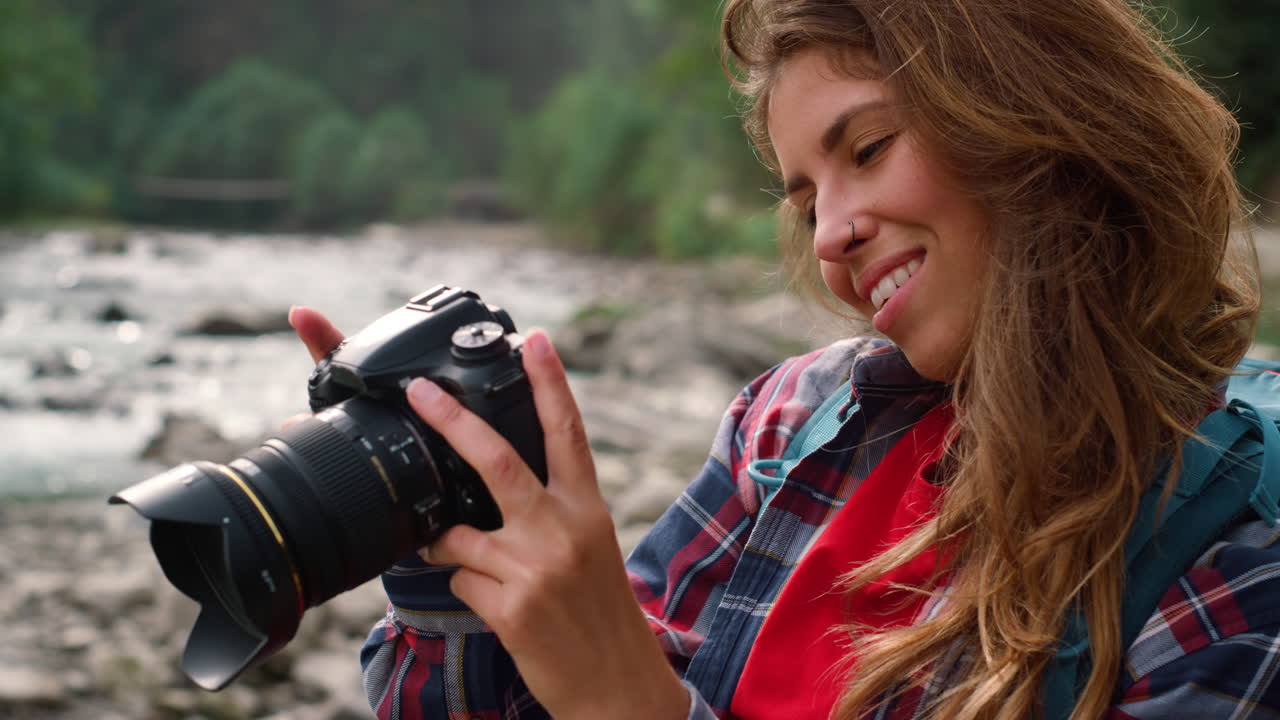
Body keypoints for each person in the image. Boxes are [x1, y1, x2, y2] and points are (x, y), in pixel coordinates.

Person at [291, 0, 1280, 717]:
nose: (828, 237)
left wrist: (629, 707)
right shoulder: (793, 423)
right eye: (804, 198)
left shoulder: (1238, 552)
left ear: (1037, 118)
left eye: (867, 148)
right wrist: (441, 536)